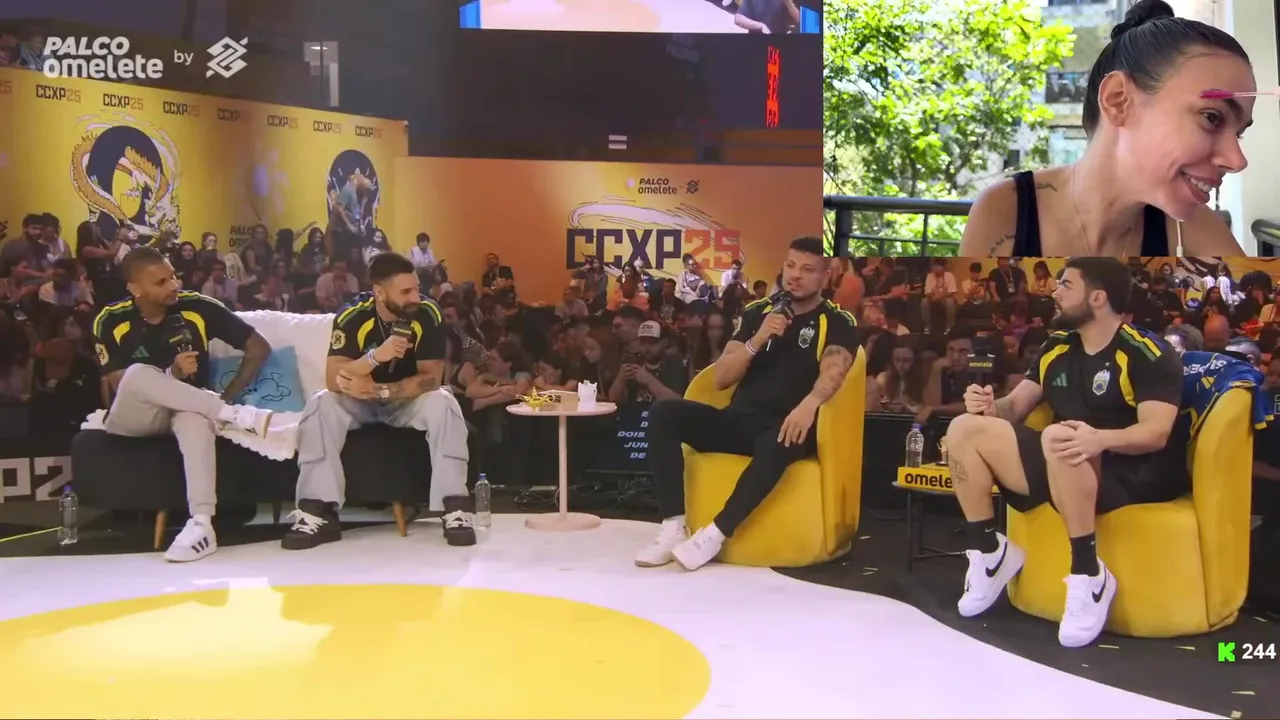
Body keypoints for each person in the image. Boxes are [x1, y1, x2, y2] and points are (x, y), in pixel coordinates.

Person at [943, 257, 1185, 648]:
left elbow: (1155, 433)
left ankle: (1089, 575)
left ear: (1098, 297)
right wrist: (988, 405)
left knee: (1062, 436)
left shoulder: (1146, 351)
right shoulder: (1057, 346)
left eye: (1066, 285)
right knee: (964, 428)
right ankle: (989, 551)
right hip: (1065, 459)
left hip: (1131, 473)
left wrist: (1099, 439)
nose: (1054, 293)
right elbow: (1015, 407)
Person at [958, 0, 1252, 256]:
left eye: (1239, 133)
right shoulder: (1006, 212)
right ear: (1118, 100)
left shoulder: (1191, 229)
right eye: (1212, 118)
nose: (1237, 161)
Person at [634, 237, 859, 571]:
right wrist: (757, 340)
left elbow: (835, 370)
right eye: (790, 266)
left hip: (787, 426)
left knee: (779, 438)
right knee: (664, 413)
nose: (795, 275)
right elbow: (721, 378)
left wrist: (810, 403)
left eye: (807, 269)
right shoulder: (758, 313)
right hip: (739, 420)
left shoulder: (836, 320)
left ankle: (716, 533)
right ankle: (673, 526)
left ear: (825, 276)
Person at [91, 247, 276, 563]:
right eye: (161, 282)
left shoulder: (198, 306)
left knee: (195, 418)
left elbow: (259, 347)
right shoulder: (110, 320)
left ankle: (202, 525)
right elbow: (123, 386)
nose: (174, 285)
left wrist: (228, 393)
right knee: (138, 374)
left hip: (188, 409)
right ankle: (230, 415)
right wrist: (173, 374)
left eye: (173, 276)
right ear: (135, 288)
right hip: (135, 416)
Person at [282, 252, 474, 550]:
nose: (415, 297)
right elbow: (334, 379)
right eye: (405, 292)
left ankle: (455, 507)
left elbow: (431, 379)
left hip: (406, 401)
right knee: (321, 404)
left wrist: (379, 390)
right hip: (359, 402)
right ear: (380, 293)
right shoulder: (352, 316)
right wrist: (376, 356)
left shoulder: (427, 313)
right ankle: (318, 512)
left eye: (416, 288)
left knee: (444, 402)